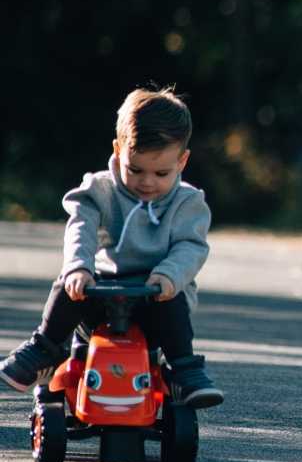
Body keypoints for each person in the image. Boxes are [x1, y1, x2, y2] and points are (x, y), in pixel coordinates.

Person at [0, 86, 223, 408]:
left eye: (161, 173)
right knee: (69, 285)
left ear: (182, 161)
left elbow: (191, 246)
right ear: (119, 151)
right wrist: (79, 267)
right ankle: (45, 347)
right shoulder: (99, 190)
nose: (147, 182)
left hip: (155, 296)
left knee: (172, 302)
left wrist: (169, 275)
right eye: (135, 169)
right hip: (101, 294)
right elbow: (81, 228)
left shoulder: (188, 202)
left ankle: (185, 370)